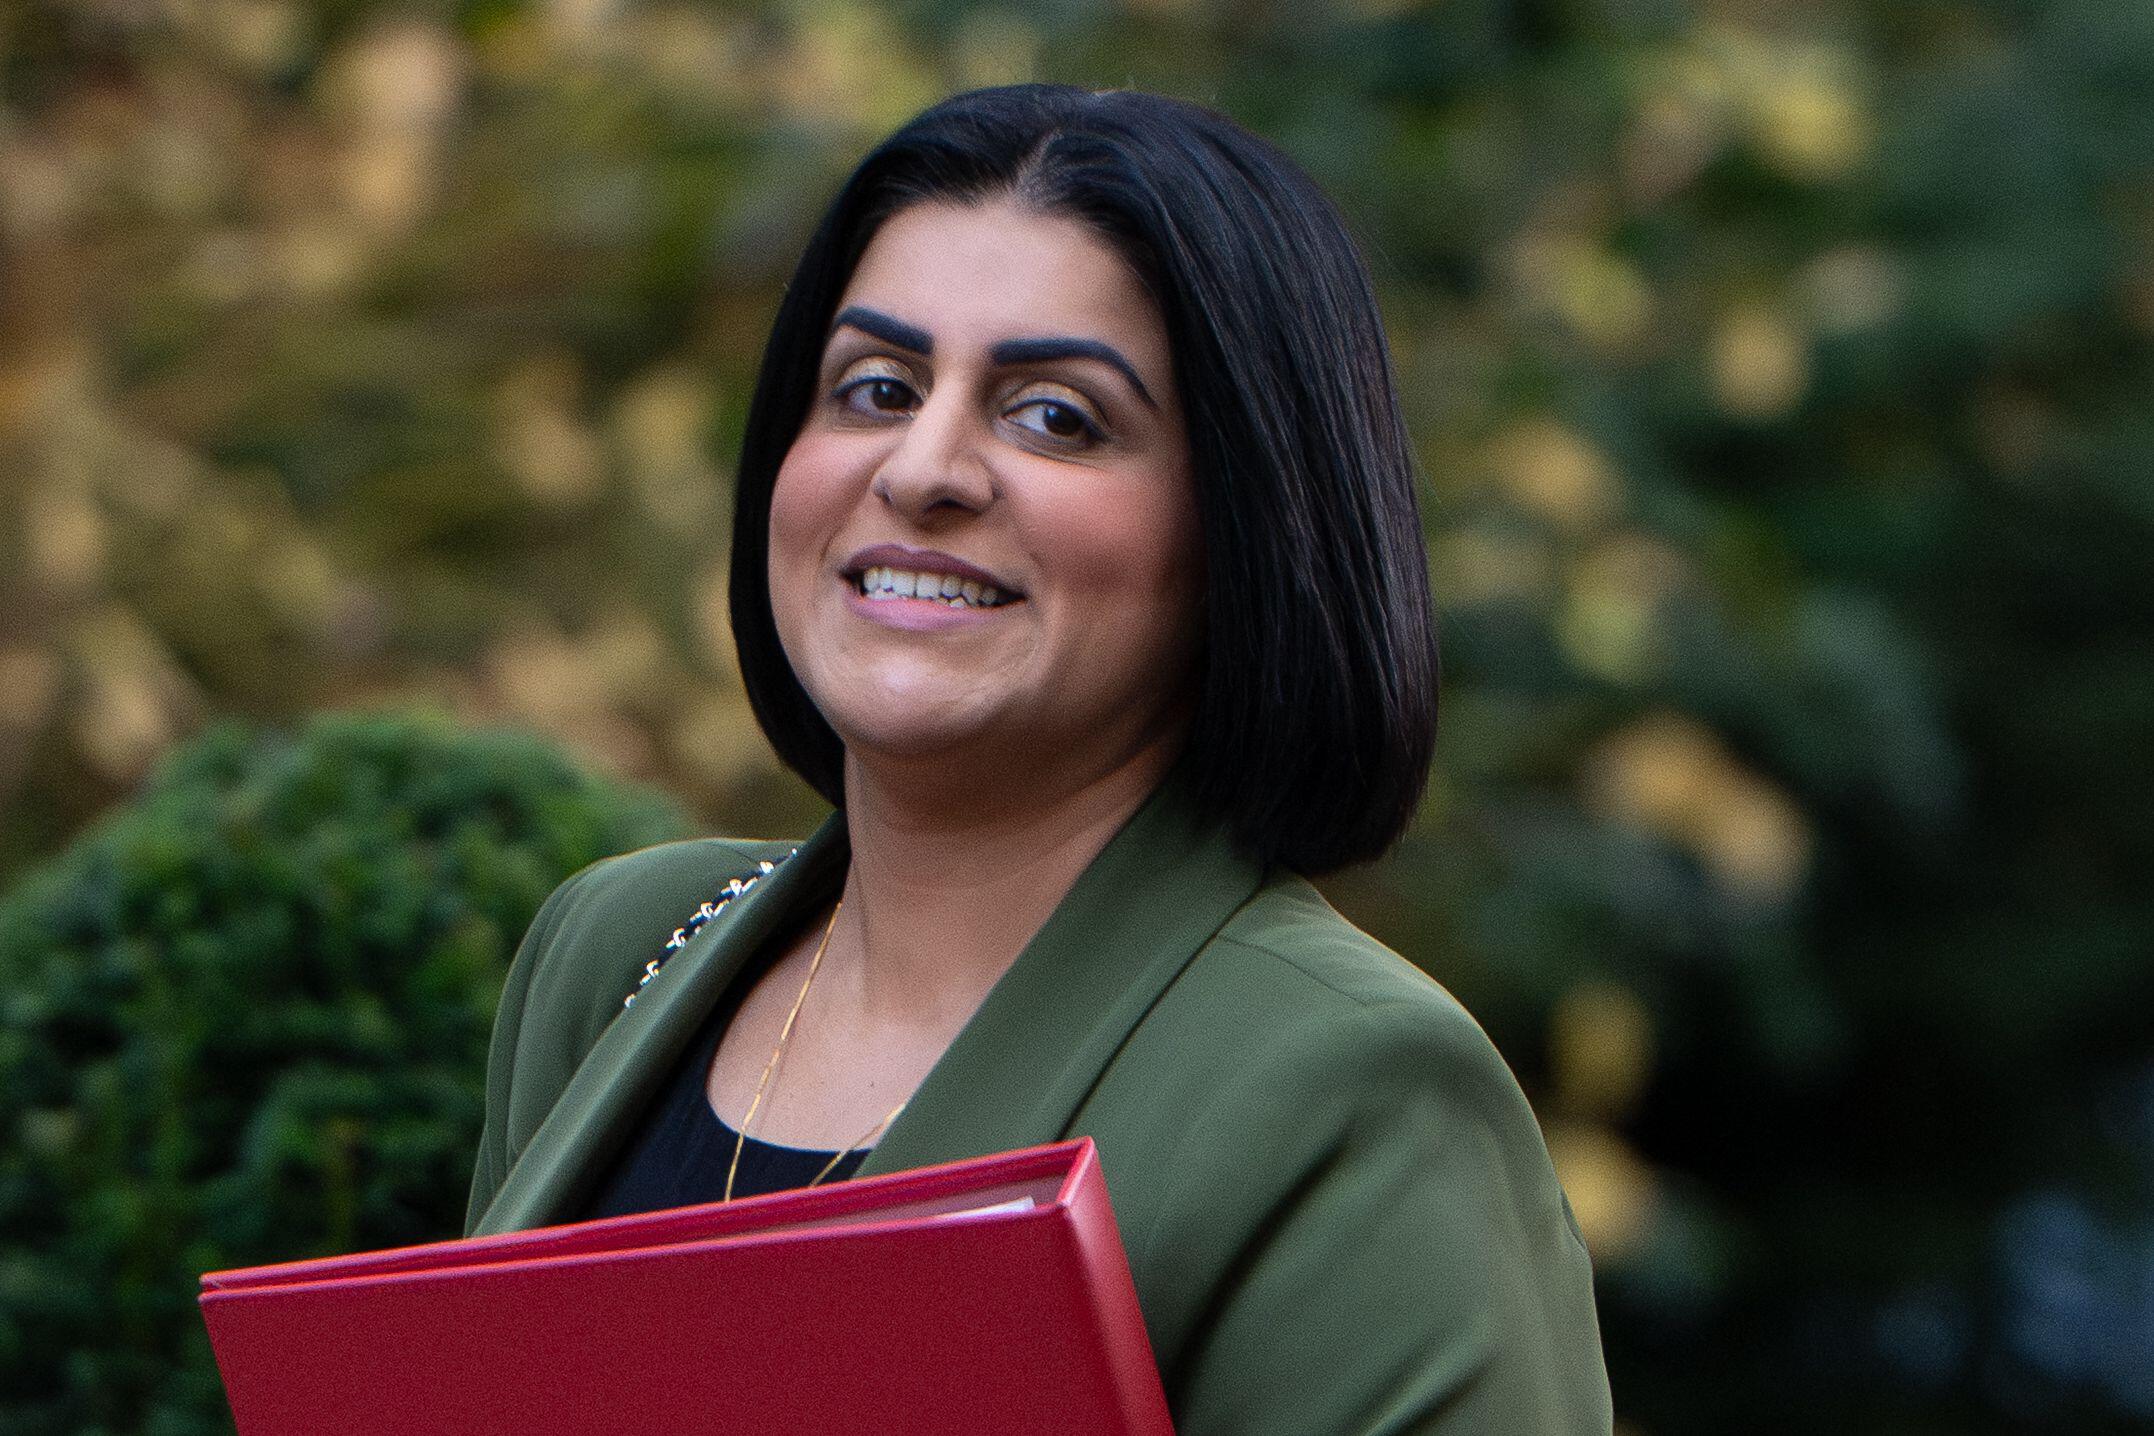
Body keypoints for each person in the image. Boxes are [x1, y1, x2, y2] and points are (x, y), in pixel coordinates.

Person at [465, 83, 1611, 1433]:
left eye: (1055, 416)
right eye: (875, 388)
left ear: (1246, 527)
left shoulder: (1350, 1091)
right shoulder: (614, 954)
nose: (923, 468)